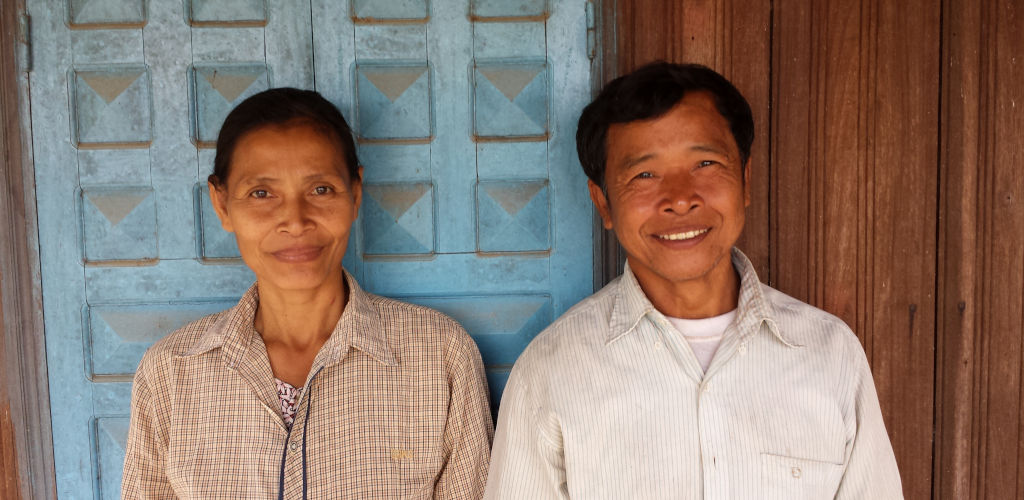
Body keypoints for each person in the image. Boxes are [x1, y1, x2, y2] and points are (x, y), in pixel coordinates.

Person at [484, 62, 903, 499]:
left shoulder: (830, 355)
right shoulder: (552, 370)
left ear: (744, 180)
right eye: (645, 174)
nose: (681, 198)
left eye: (705, 163)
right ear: (603, 203)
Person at [122, 88, 493, 499]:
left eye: (321, 190)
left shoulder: (439, 355)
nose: (295, 221)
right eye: (262, 193)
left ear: (355, 193)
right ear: (222, 203)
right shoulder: (170, 373)